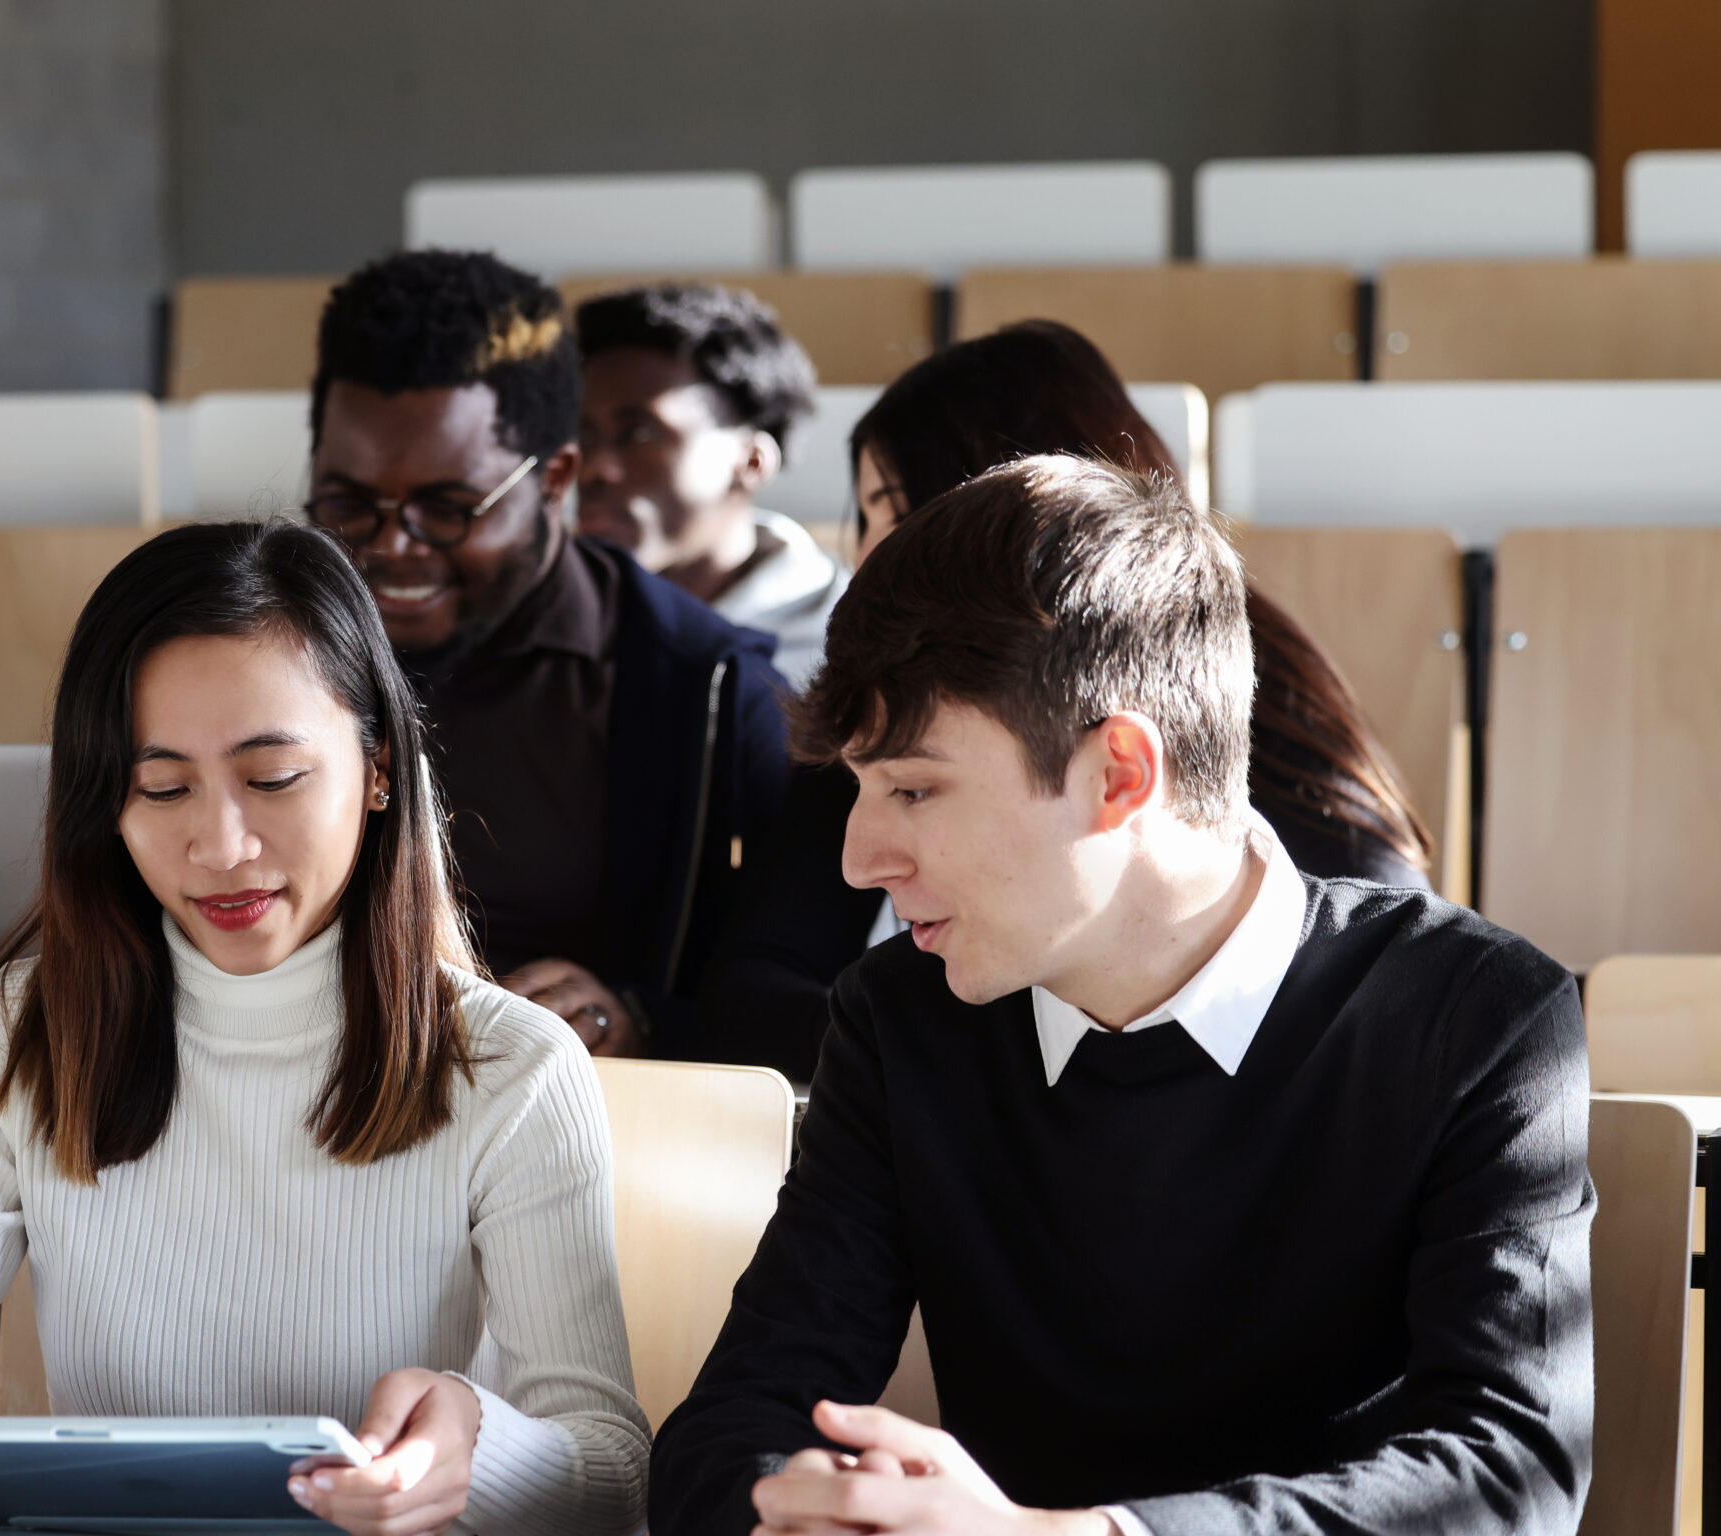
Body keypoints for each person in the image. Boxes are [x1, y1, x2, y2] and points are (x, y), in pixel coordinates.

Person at [650, 457, 1592, 1536]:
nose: (859, 858)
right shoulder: (899, 1020)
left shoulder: (1474, 1014)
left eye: (914, 789)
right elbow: (726, 1435)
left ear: (1119, 775)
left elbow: (1505, 1493)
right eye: (855, 791)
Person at [0, 521, 650, 1536]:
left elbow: (610, 1485)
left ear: (377, 769)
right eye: (160, 787)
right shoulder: (20, 1028)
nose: (218, 847)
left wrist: (467, 1445)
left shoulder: (510, 1068)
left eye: (271, 778)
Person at [698, 321, 1429, 1082]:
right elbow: (752, 991)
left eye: (891, 511)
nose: (867, 559)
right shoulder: (889, 710)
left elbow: (1366, 985)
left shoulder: (1235, 699)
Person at [306, 250, 789, 1062]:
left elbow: (791, 1004)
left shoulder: (707, 689)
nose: (392, 547)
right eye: (349, 503)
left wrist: (638, 1018)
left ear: (556, 478)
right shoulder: (264, 645)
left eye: (448, 509)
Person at [574, 283, 846, 684]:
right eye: (583, 436)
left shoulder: (846, 652)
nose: (592, 470)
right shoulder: (536, 625)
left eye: (640, 434)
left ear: (750, 461)